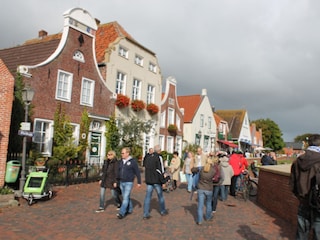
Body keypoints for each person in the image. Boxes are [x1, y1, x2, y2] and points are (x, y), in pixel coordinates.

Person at [290, 134, 320, 239]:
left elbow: (292, 184)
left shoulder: (297, 161)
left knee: (301, 234)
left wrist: (300, 196)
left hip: (303, 202)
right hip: (318, 204)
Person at [142, 145, 168, 219]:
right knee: (160, 196)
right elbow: (161, 170)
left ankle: (145, 213)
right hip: (156, 180)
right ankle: (162, 211)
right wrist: (163, 180)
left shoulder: (148, 157)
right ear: (159, 150)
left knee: (147, 197)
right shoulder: (159, 157)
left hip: (149, 180)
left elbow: (145, 167)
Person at [117, 147, 141, 219]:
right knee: (125, 197)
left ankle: (121, 212)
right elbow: (118, 171)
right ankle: (130, 209)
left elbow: (137, 172)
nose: (122, 154)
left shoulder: (132, 162)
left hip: (129, 182)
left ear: (127, 153)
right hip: (121, 181)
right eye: (121, 153)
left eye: (123, 153)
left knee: (125, 198)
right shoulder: (121, 161)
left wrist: (139, 182)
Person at [192, 159, 215, 225]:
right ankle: (208, 217)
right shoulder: (213, 170)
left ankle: (199, 220)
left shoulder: (201, 169)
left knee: (200, 205)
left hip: (201, 188)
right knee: (208, 203)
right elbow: (217, 178)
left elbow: (193, 170)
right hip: (209, 188)